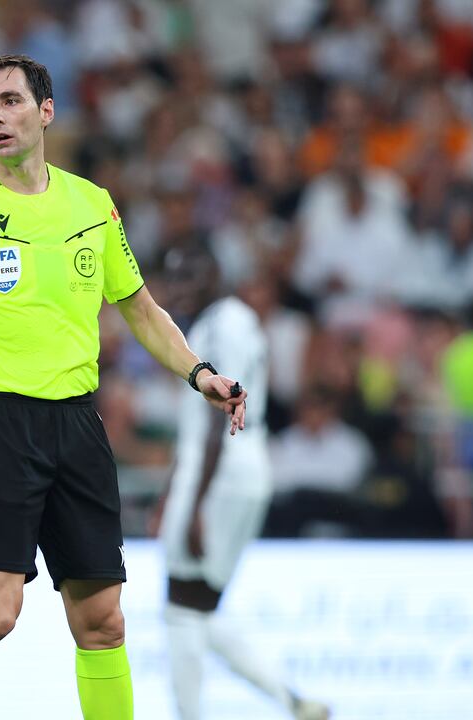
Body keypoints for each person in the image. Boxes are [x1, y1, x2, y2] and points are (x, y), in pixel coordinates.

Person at [0, 54, 248, 720]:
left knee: (104, 622)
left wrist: (200, 372)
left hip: (77, 427)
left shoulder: (91, 206)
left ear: (45, 110)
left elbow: (140, 308)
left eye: (8, 102)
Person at [154, 257, 330, 720]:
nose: (180, 286)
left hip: (221, 472)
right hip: (239, 469)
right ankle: (293, 701)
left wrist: (193, 503)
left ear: (215, 273)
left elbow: (223, 406)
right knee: (201, 608)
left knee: (180, 607)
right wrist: (172, 491)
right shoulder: (229, 321)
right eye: (173, 277)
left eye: (189, 273)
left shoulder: (223, 323)